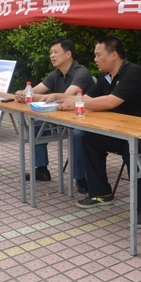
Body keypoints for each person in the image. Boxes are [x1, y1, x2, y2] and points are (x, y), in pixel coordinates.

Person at [46, 35, 141, 227]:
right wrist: (61, 101)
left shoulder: (132, 72)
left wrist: (77, 103)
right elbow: (88, 99)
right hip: (125, 130)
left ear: (113, 55)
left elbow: (111, 101)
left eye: (98, 55)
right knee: (90, 139)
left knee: (132, 150)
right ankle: (101, 192)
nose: (95, 59)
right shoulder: (106, 77)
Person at [15, 38, 94, 194]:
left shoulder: (81, 72)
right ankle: (42, 170)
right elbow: (35, 90)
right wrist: (22, 93)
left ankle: (80, 178)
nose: (52, 55)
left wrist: (30, 96)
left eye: (56, 52)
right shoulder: (56, 74)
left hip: (85, 120)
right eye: (51, 52)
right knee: (36, 124)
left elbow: (65, 97)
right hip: (63, 117)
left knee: (77, 134)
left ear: (68, 54)